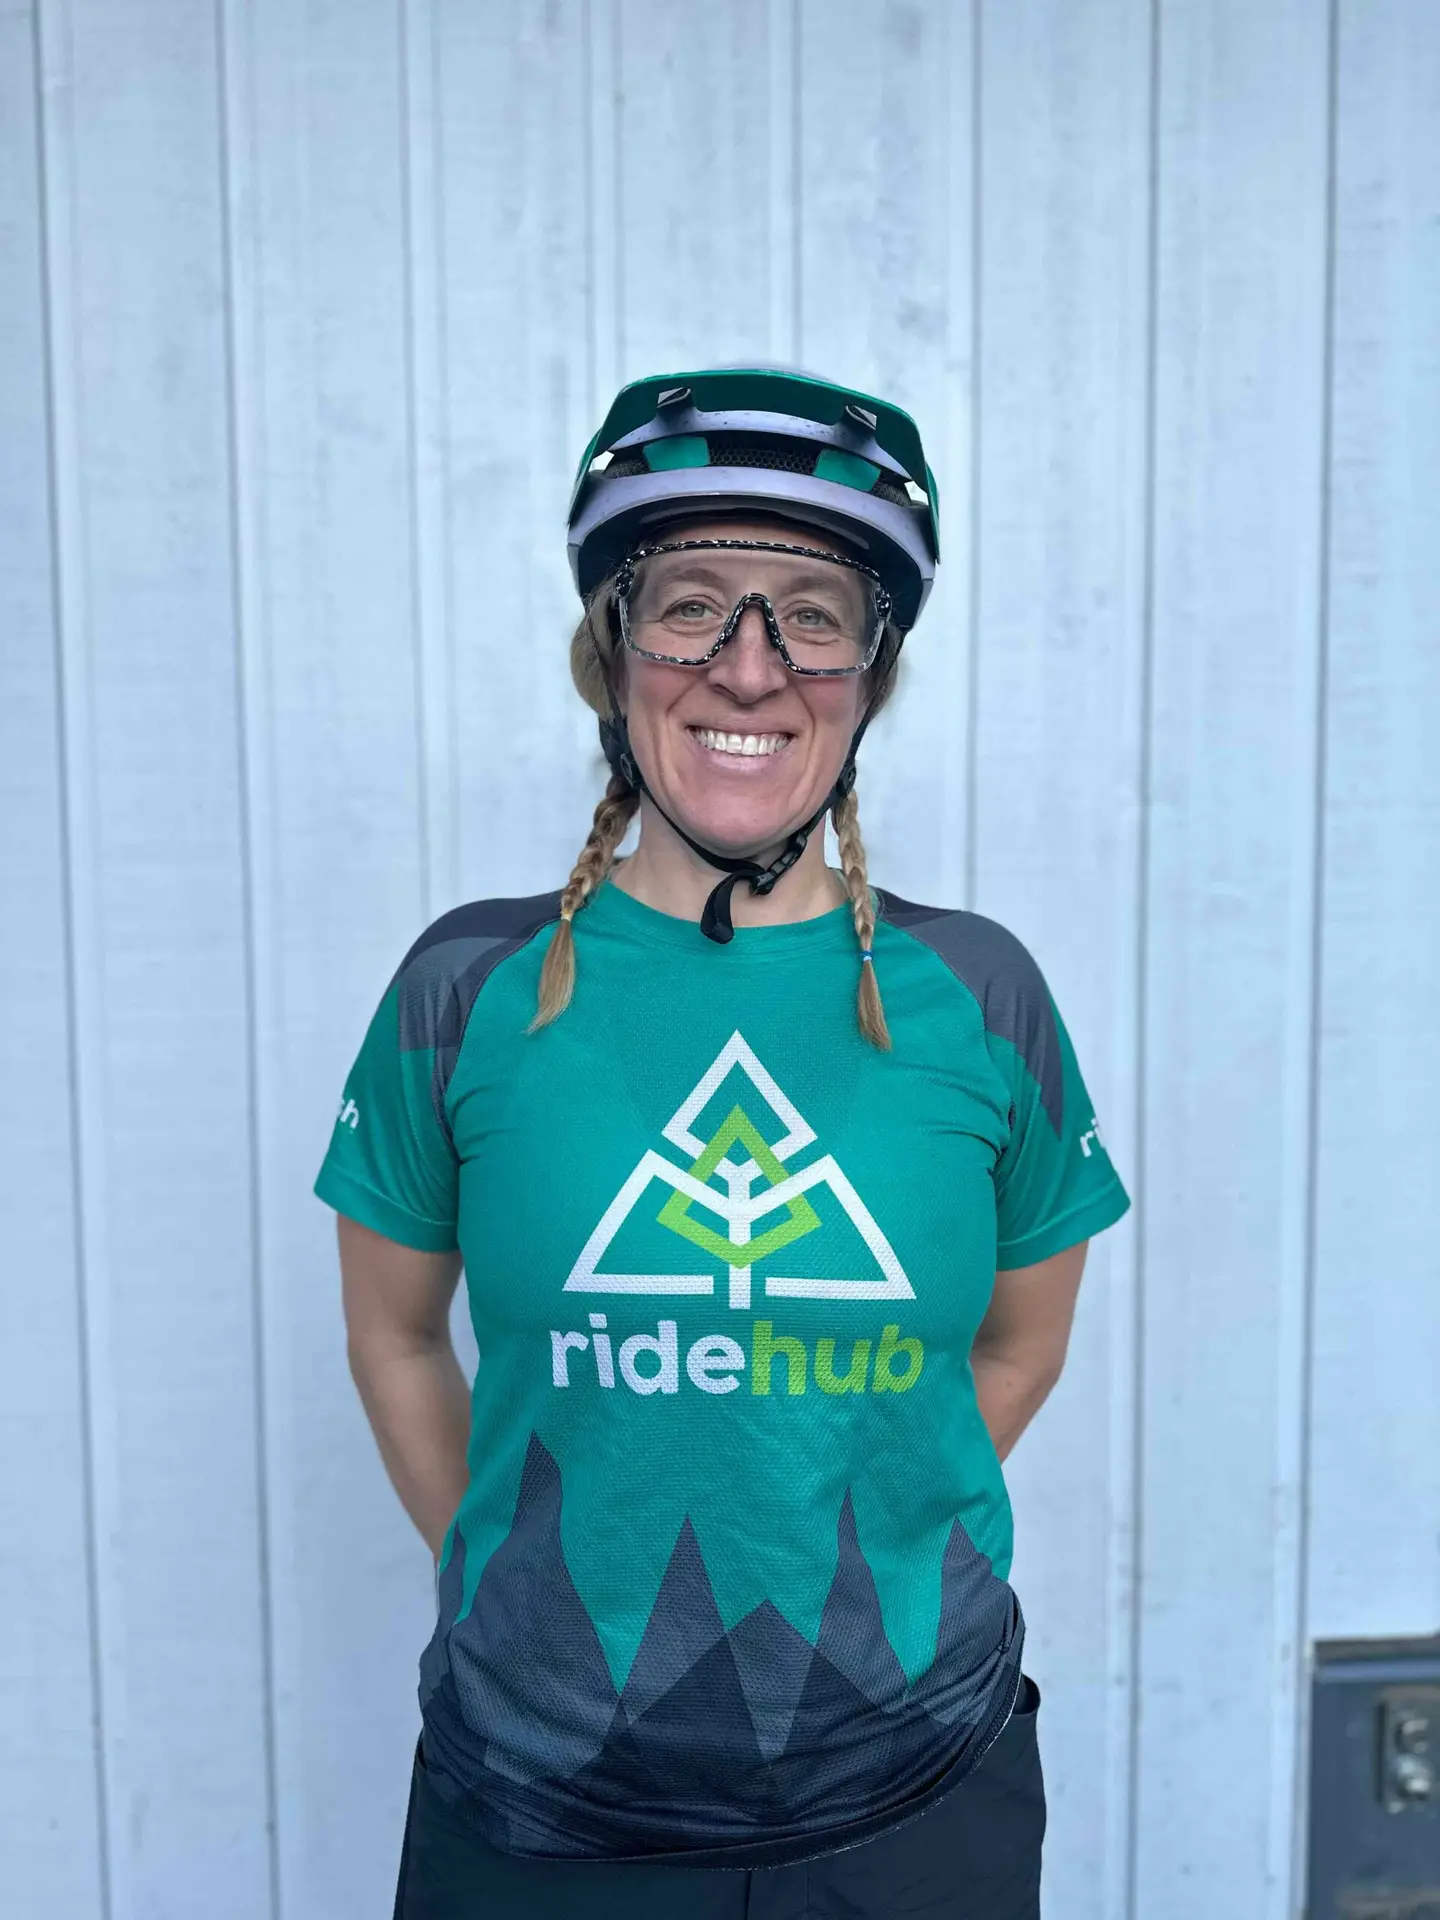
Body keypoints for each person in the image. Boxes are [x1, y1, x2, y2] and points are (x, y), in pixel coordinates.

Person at [315, 366, 1131, 1920]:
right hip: (534, 1801)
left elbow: (1022, 1346)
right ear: (614, 651)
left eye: (811, 614)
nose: (748, 667)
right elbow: (396, 1338)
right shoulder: (460, 993)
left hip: (914, 1792)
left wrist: (847, 1501)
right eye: (691, 603)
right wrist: (539, 1568)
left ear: (870, 672)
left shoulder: (985, 998)